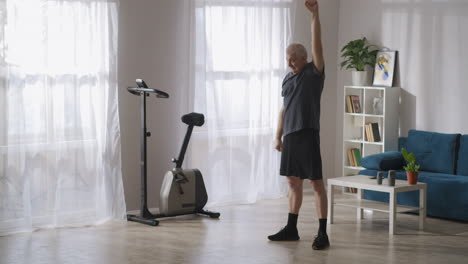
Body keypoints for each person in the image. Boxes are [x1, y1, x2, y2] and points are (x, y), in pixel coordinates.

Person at [267, 0, 330, 250]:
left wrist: (315, 15)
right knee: (293, 182)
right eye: (287, 59)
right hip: (291, 136)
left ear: (305, 58)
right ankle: (291, 229)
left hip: (307, 133)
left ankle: (322, 233)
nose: (289, 63)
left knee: (315, 183)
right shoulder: (287, 79)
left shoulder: (314, 73)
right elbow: (284, 108)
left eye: (293, 59)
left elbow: (317, 42)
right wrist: (278, 136)